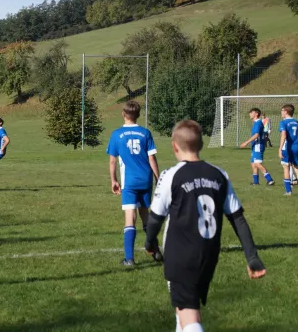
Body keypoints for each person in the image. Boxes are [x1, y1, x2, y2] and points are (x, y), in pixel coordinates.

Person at [145, 120, 266, 332]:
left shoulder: (171, 175)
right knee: (184, 309)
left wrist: (149, 242)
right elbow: (238, 218)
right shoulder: (219, 174)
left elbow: (155, 217)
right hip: (208, 254)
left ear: (174, 146)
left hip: (180, 253)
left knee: (189, 316)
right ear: (201, 145)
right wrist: (252, 256)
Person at [106, 101, 161, 266]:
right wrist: (158, 178)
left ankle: (129, 259)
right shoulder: (145, 133)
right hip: (145, 180)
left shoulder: (116, 135)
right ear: (138, 115)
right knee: (146, 215)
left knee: (130, 218)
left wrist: (114, 180)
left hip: (129, 182)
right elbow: (151, 158)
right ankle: (156, 251)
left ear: (123, 114)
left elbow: (112, 161)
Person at [240, 108, 274, 186]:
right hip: (255, 145)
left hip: (258, 146)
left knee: (257, 163)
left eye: (251, 112)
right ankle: (256, 182)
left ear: (256, 113)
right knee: (253, 163)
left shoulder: (258, 123)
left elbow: (256, 135)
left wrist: (246, 143)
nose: (250, 114)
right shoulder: (256, 123)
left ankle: (270, 179)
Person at [279, 104, 298, 196]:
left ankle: (288, 191)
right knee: (296, 167)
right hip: (297, 147)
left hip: (287, 147)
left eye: (282, 110)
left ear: (286, 111)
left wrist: (279, 149)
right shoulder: (296, 122)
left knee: (286, 167)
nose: (281, 112)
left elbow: (283, 135)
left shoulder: (284, 122)